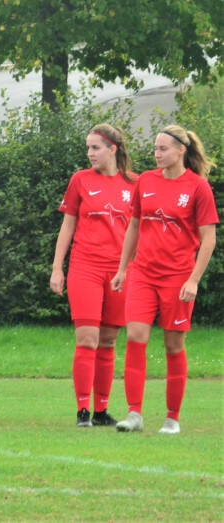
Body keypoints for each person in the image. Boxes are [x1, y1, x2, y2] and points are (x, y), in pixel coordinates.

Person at [111, 124, 218, 435]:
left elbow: (208, 239)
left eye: (163, 149)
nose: (156, 154)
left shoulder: (198, 187)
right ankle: (134, 414)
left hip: (178, 277)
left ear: (181, 150)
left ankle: (172, 418)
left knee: (173, 345)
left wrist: (193, 280)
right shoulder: (145, 180)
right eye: (155, 148)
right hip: (143, 273)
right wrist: (122, 269)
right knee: (135, 336)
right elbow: (133, 226)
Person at [50, 124, 137, 428]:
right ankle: (83, 411)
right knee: (87, 338)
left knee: (109, 341)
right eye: (88, 147)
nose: (90, 153)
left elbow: (141, 229)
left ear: (113, 149)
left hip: (119, 271)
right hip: (85, 267)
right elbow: (68, 225)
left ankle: (101, 411)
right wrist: (57, 267)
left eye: (95, 147)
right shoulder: (80, 180)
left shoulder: (135, 184)